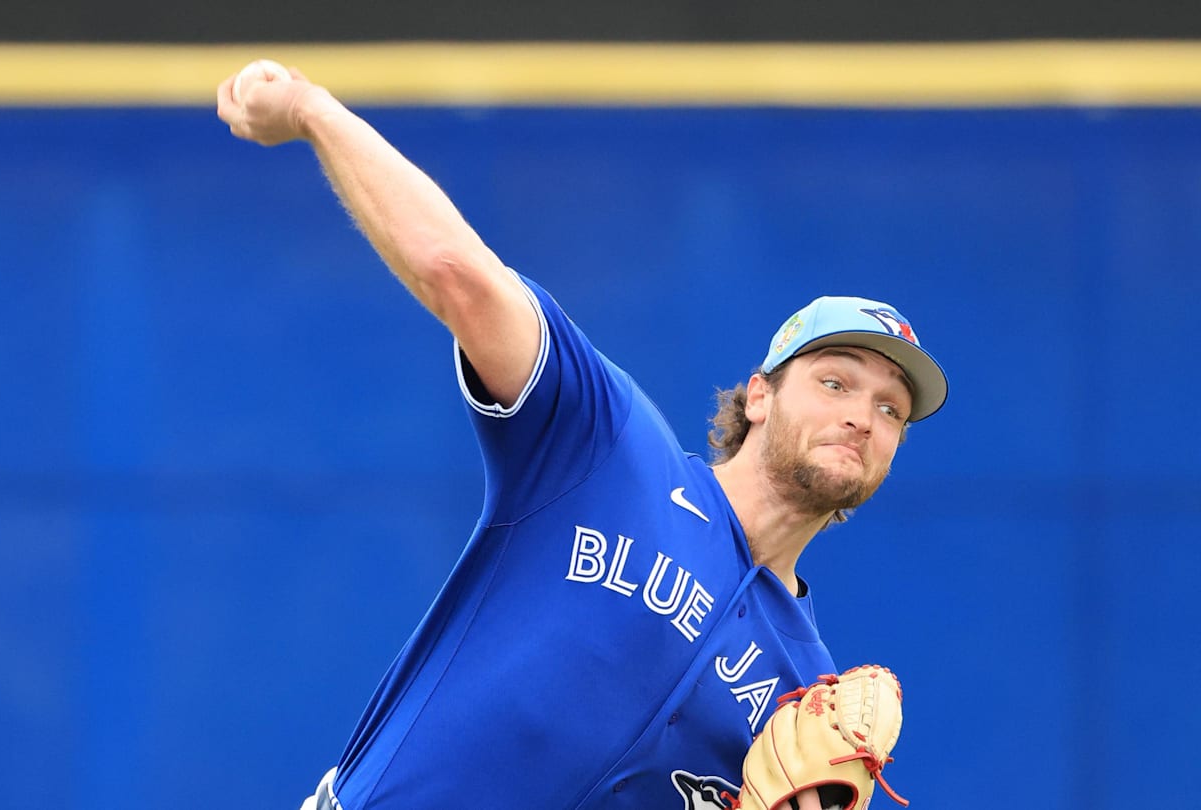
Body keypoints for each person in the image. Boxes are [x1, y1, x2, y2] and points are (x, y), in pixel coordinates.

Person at [217, 60, 947, 810]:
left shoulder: (801, 688)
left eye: (892, 409)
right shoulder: (608, 449)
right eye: (835, 382)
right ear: (759, 395)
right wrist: (311, 109)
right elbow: (457, 272)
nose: (862, 415)